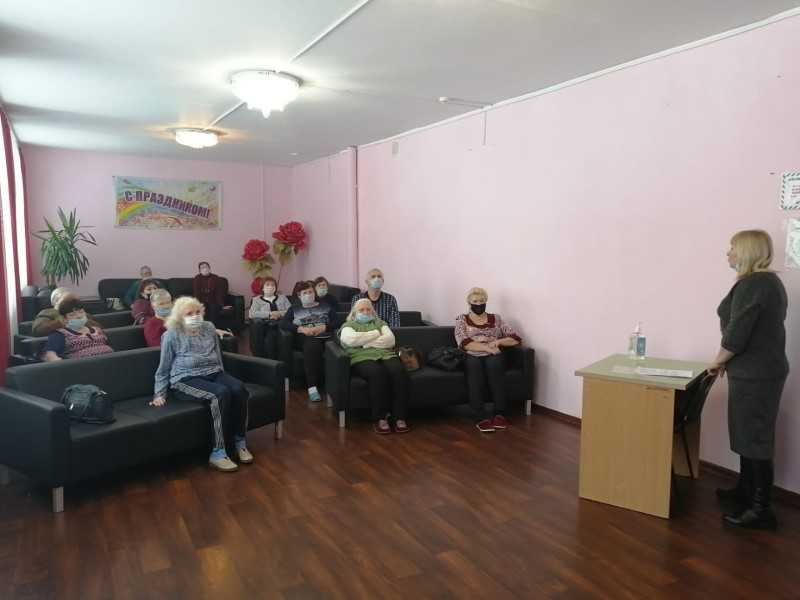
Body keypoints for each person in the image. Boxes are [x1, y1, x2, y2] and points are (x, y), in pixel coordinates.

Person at [708, 230, 788, 530]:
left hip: (757, 375)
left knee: (755, 438)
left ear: (747, 252)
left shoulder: (757, 284)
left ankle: (761, 509)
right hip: (754, 372)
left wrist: (718, 361)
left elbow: (737, 332)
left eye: (733, 248)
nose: (728, 253)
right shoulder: (763, 283)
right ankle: (745, 490)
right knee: (746, 433)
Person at [151, 296, 253, 472]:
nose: (195, 316)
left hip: (213, 372)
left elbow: (218, 355)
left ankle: (240, 441)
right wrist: (159, 393)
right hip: (185, 378)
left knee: (239, 389)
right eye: (189, 313)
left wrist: (224, 376)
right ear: (179, 317)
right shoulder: (171, 334)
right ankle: (218, 452)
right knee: (220, 394)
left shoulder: (209, 327)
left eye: (197, 312)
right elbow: (164, 366)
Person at [454, 287, 521, 433]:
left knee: (495, 365)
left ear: (486, 301)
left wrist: (498, 342)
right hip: (472, 353)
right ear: (469, 303)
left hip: (493, 352)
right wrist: (487, 348)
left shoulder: (496, 318)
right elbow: (463, 342)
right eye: (475, 301)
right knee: (474, 367)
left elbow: (515, 339)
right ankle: (479, 416)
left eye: (482, 301)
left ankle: (499, 413)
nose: (479, 304)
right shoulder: (461, 319)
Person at [339, 299, 410, 434]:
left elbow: (390, 340)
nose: (365, 312)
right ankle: (380, 418)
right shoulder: (348, 325)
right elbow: (351, 340)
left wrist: (364, 343)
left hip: (385, 354)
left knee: (399, 372)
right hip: (361, 357)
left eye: (368, 309)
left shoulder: (380, 323)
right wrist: (376, 334)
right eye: (361, 310)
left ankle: (399, 417)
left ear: (372, 311)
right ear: (354, 312)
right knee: (377, 374)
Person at [280, 281, 337, 402]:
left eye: (310, 292)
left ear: (314, 293)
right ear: (299, 296)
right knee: (313, 347)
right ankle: (312, 387)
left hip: (326, 335)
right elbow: (283, 323)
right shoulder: (294, 308)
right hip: (307, 336)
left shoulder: (325, 306)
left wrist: (325, 327)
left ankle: (333, 386)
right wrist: (301, 329)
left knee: (335, 348)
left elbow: (337, 321)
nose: (308, 295)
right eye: (304, 293)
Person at [43, 298, 114, 361]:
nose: (79, 316)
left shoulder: (97, 329)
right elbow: (49, 355)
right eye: (72, 314)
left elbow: (110, 346)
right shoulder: (59, 334)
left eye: (81, 312)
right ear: (64, 319)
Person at [248, 276, 291, 358]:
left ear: (275, 287)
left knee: (275, 338)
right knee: (270, 339)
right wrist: (269, 314)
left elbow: (291, 310)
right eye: (267, 285)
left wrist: (279, 313)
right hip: (266, 326)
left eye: (273, 285)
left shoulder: (283, 298)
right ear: (262, 288)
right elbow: (252, 313)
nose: (270, 287)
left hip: (281, 324)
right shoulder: (256, 300)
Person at [193, 261, 226, 326]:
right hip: (202, 301)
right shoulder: (197, 278)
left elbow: (219, 292)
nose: (204, 269)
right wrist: (196, 304)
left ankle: (213, 327)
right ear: (199, 270)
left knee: (213, 307)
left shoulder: (215, 277)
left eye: (206, 267)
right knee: (203, 307)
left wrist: (222, 304)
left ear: (209, 268)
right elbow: (196, 292)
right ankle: (204, 328)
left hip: (213, 300)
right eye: (202, 268)